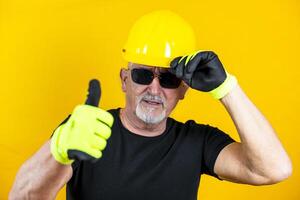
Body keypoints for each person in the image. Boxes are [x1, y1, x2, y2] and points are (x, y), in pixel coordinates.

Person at [9, 10, 292, 200]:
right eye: (142, 75)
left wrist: (227, 88)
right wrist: (58, 150)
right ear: (124, 80)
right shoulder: (87, 132)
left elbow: (273, 169)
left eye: (168, 79)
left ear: (183, 89)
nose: (154, 89)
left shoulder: (197, 142)